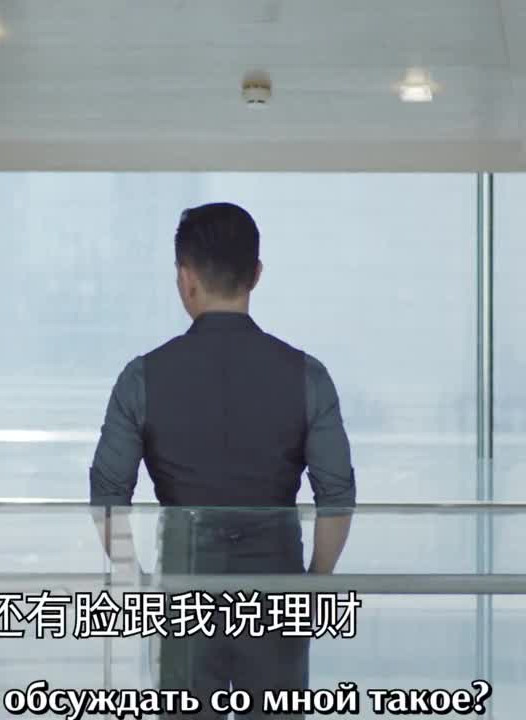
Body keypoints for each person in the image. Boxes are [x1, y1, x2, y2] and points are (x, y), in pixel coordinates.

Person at [89, 202, 356, 716]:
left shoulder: (142, 377)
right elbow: (337, 496)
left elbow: (107, 496)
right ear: (255, 274)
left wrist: (137, 581)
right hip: (277, 588)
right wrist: (313, 586)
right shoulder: (308, 375)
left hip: (182, 584)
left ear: (185, 278)